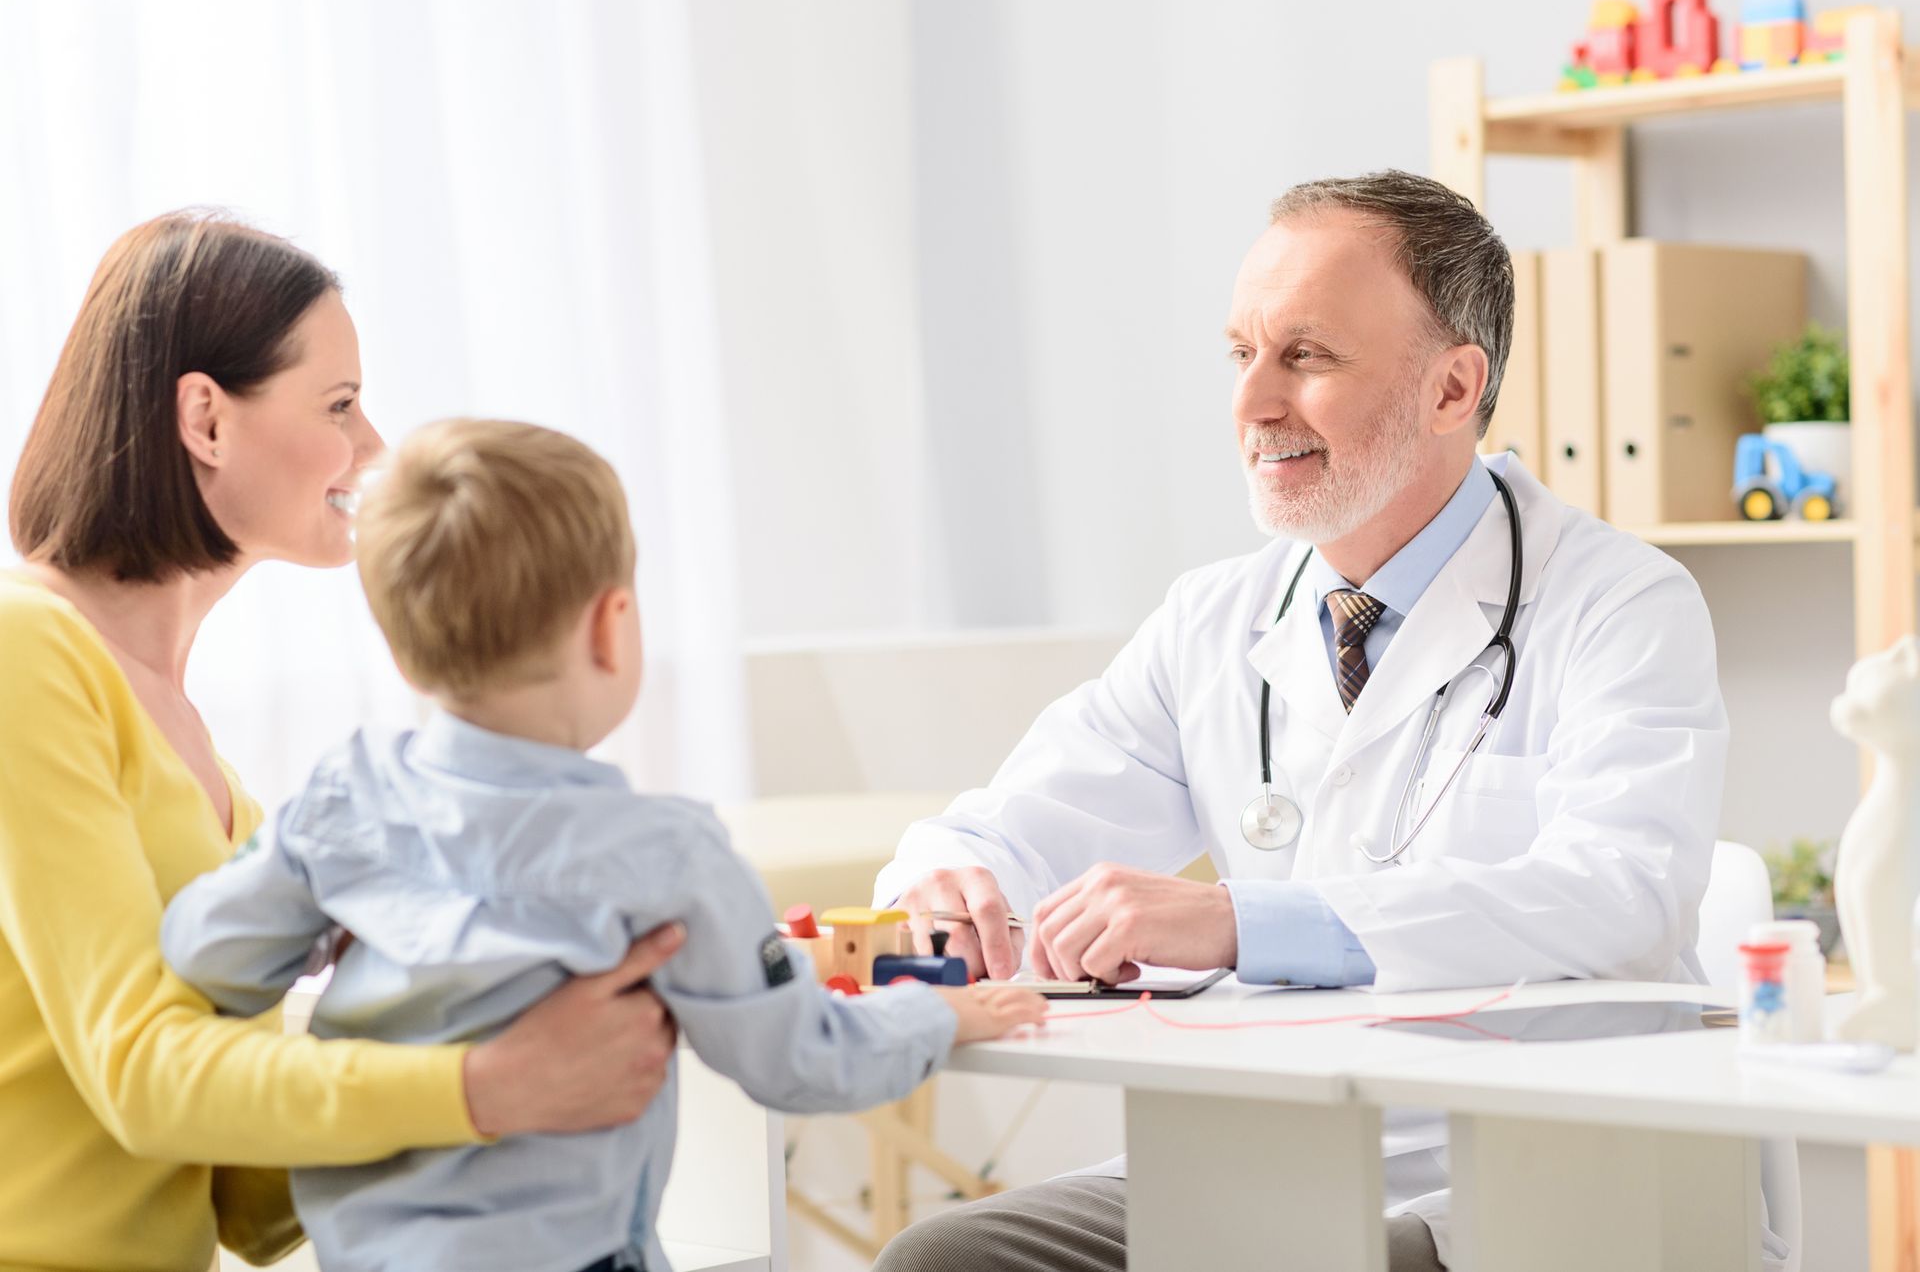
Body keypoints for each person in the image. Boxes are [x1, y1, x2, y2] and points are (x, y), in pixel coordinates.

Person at [871, 170, 1747, 1270]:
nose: (1253, 404)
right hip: (1263, 1148)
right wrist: (947, 876)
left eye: (1308, 356)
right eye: (1243, 354)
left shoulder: (1619, 602)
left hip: (1517, 1172)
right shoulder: (1217, 618)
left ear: (1452, 387)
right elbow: (1019, 821)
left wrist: (1246, 921)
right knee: (942, 1260)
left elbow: (1619, 890)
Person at [161, 418, 1048, 1272]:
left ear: (398, 651)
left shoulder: (340, 802)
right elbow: (800, 1058)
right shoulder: (668, 857)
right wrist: (938, 1015)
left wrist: (330, 928)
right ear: (610, 625)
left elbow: (203, 947)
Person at [0, 213, 682, 1272]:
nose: (373, 448)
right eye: (341, 404)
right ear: (205, 419)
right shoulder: (23, 652)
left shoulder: (202, 761)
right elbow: (140, 1074)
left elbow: (255, 1204)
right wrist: (492, 1081)